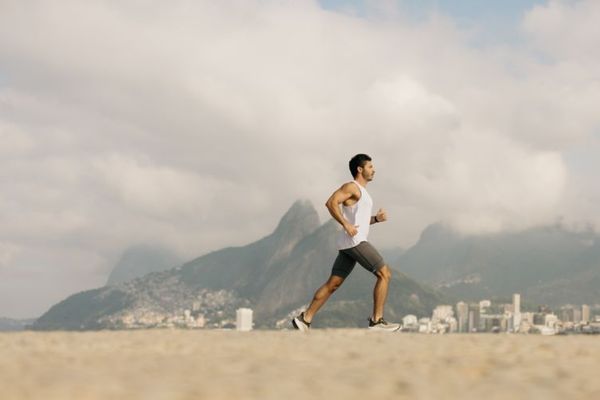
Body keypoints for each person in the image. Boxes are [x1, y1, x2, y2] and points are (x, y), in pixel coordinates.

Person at [292, 154, 400, 332]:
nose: (374, 170)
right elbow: (331, 203)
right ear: (360, 169)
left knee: (332, 284)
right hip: (355, 242)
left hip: (348, 244)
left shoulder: (363, 193)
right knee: (384, 273)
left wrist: (376, 219)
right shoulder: (352, 187)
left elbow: (360, 221)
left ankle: (305, 318)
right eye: (370, 166)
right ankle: (376, 321)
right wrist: (345, 224)